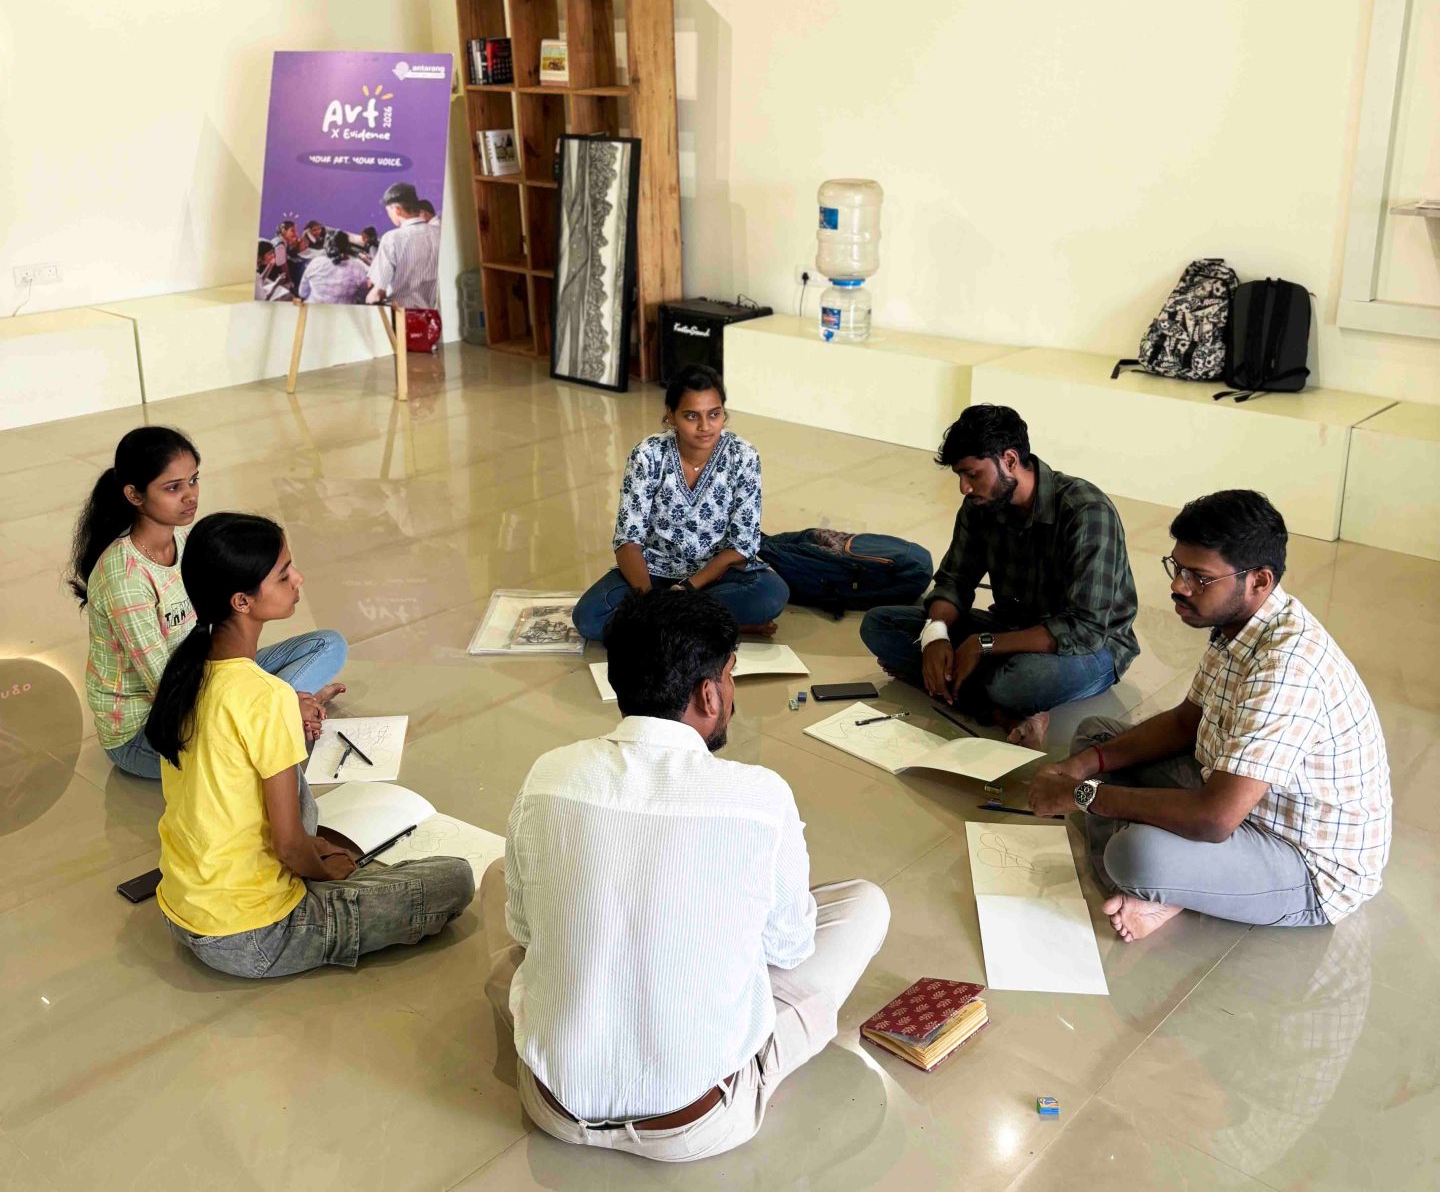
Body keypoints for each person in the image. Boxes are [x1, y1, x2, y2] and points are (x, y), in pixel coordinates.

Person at [481, 588, 889, 1161]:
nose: (731, 690)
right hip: (697, 1123)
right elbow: (790, 948)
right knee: (864, 904)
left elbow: (525, 933)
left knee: (500, 875)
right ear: (708, 693)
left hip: (552, 1107)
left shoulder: (550, 774)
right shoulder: (759, 795)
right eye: (730, 674)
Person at [1026, 490, 1391, 942]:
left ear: (1259, 581)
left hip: (1303, 862)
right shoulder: (1239, 623)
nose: (1179, 586)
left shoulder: (1286, 668)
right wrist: (1079, 769)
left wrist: (1082, 794)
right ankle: (1178, 881)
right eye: (1177, 568)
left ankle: (1161, 884)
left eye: (1199, 578)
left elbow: (1216, 818)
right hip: (1236, 795)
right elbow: (1186, 722)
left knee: (1135, 854)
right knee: (1095, 738)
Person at [148, 512, 474, 976]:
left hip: (184, 908)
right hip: (255, 934)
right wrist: (327, 871)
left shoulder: (186, 674)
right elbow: (288, 848)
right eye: (284, 574)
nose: (298, 579)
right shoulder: (266, 696)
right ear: (241, 601)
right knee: (454, 879)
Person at [69, 427, 348, 779]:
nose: (190, 496)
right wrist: (277, 699)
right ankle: (287, 708)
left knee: (329, 645)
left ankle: (282, 707)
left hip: (202, 675)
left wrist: (253, 690)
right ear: (135, 495)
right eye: (173, 488)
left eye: (193, 480)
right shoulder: (124, 578)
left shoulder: (185, 540)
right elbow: (166, 690)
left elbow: (223, 625)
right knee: (245, 753)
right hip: (149, 729)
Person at [860, 404, 1138, 747]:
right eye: (959, 476)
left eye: (972, 474)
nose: (964, 487)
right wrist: (935, 635)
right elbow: (954, 581)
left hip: (1091, 648)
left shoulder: (1086, 511)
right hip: (1010, 629)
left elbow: (1086, 628)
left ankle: (978, 692)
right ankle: (1002, 711)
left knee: (1020, 681)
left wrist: (984, 644)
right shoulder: (980, 506)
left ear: (1009, 460)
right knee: (880, 626)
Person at [572, 364, 789, 641]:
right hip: (652, 574)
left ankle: (669, 623)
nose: (705, 426)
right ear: (671, 416)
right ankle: (714, 624)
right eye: (691, 416)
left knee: (771, 594)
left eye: (714, 414)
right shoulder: (648, 455)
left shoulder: (743, 456)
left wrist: (687, 589)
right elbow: (628, 540)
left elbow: (741, 545)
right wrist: (651, 600)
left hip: (715, 576)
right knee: (589, 618)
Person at [366, 181, 440, 308]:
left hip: (404, 315)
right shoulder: (440, 233)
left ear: (397, 210)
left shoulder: (392, 239)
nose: (389, 216)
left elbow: (378, 293)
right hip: (437, 315)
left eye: (388, 211)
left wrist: (368, 300)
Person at [298, 230, 371, 305]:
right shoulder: (358, 268)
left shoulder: (316, 263)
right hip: (343, 311)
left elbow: (302, 293)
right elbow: (362, 297)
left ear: (326, 246)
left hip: (313, 309)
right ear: (347, 247)